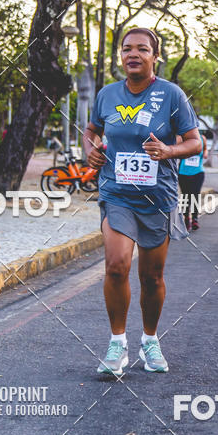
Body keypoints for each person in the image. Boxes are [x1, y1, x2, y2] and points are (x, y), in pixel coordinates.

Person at [84, 27, 201, 377]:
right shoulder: (107, 95)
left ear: (154, 56)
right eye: (126, 49)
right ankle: (116, 344)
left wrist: (168, 150)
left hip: (157, 196)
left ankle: (149, 340)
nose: (133, 55)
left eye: (142, 49)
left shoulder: (171, 95)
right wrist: (90, 151)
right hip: (116, 193)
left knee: (152, 277)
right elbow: (91, 132)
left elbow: (194, 143)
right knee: (116, 265)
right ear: (120, 55)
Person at [178, 131, 208, 231]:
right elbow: (177, 152)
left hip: (198, 172)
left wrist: (205, 153)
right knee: (185, 196)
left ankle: (195, 218)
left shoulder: (202, 138)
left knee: (195, 195)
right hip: (183, 172)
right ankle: (186, 217)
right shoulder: (182, 138)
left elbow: (205, 149)